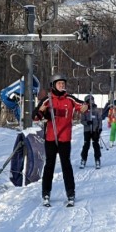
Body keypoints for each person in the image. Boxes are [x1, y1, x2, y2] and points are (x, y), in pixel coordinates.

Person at [32, 75, 81, 207]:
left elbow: (81, 105)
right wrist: (40, 111)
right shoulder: (47, 100)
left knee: (66, 166)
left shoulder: (69, 99)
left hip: (64, 138)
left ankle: (70, 193)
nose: (62, 85)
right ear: (53, 85)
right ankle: (46, 193)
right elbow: (35, 117)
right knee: (49, 166)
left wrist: (85, 107)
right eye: (59, 83)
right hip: (51, 138)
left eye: (63, 83)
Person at [80, 95, 103, 169]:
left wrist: (100, 128)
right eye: (89, 101)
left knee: (96, 144)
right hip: (87, 130)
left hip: (95, 130)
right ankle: (83, 159)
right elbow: (82, 121)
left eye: (92, 100)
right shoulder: (84, 110)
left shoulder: (96, 109)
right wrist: (87, 122)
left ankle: (97, 159)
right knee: (86, 145)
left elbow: (100, 119)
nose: (91, 102)